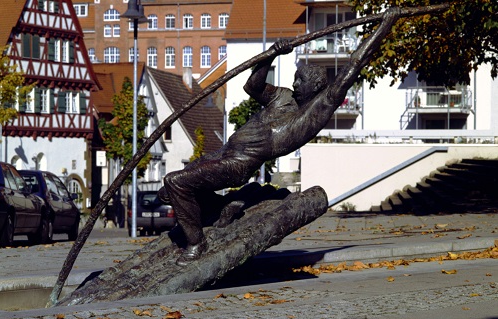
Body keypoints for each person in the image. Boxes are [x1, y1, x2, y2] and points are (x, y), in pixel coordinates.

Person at [160, 8, 401, 266]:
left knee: (176, 182)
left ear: (317, 87)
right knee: (166, 193)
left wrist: (386, 24)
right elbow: (252, 87)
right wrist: (271, 56)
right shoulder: (283, 97)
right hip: (224, 152)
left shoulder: (315, 111)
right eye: (296, 79)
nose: (296, 85)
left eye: (302, 81)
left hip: (239, 164)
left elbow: (353, 66)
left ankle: (196, 244)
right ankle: (222, 209)